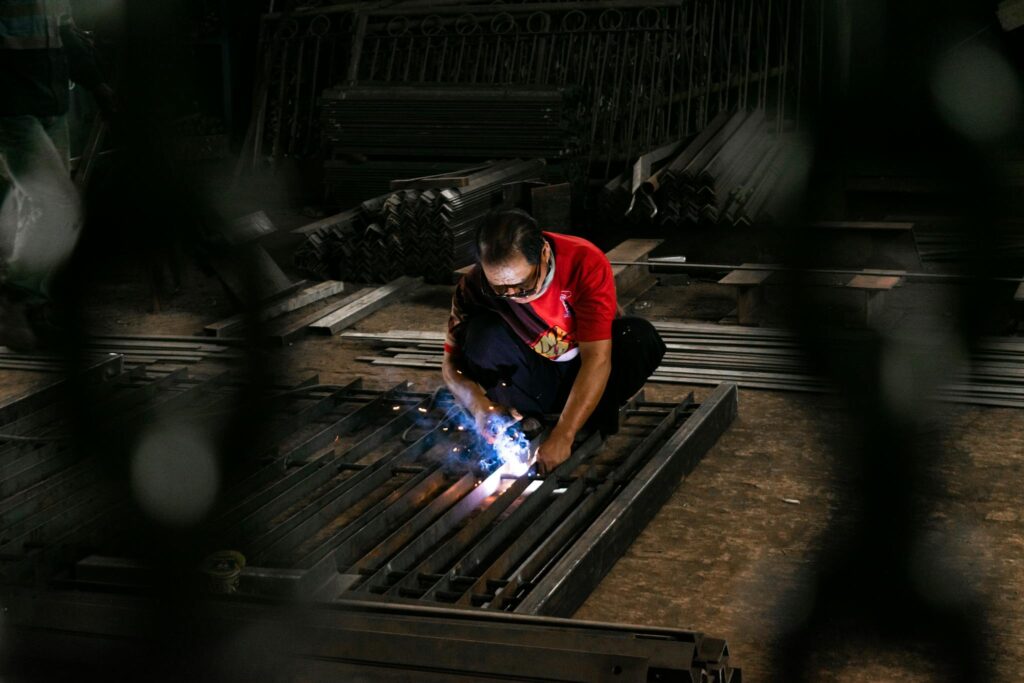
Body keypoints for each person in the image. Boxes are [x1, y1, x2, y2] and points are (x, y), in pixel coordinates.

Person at [442, 209, 666, 475]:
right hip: (534, 381)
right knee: (480, 335)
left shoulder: (583, 262)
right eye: (500, 288)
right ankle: (530, 418)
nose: (512, 294)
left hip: (584, 370)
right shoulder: (474, 286)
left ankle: (588, 419)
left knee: (637, 336)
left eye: (522, 284)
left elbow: (597, 358)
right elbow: (450, 365)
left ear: (544, 256)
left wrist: (565, 434)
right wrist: (480, 406)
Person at [0, 0, 114, 349]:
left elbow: (66, 35)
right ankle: (11, 300)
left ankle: (32, 313)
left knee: (35, 206)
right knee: (59, 207)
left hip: (51, 107)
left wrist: (98, 87)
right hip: (12, 108)